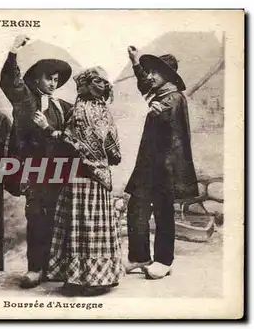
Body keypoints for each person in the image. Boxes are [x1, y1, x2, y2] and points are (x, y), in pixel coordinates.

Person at [39, 66, 124, 296]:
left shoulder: (86, 109)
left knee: (82, 223)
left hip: (84, 175)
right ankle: (94, 277)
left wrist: (49, 130)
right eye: (98, 81)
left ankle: (84, 278)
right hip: (92, 175)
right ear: (87, 84)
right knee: (88, 224)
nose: (103, 85)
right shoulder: (93, 109)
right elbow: (111, 149)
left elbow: (71, 140)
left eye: (104, 82)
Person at [0, 34, 73, 289]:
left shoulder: (63, 106)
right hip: (35, 171)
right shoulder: (26, 99)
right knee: (36, 216)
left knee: (58, 217)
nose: (52, 83)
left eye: (55, 79)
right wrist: (13, 53)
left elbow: (70, 136)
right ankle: (35, 268)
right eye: (47, 78)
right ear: (36, 79)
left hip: (60, 171)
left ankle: (56, 266)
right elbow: (10, 82)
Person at [124, 46, 199, 279]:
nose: (150, 76)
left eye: (155, 72)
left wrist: (159, 113)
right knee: (136, 207)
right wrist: (135, 62)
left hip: (165, 167)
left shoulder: (174, 97)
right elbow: (145, 84)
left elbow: (167, 116)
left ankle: (164, 261)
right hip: (148, 166)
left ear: (167, 76)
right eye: (150, 72)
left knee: (163, 212)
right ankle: (139, 257)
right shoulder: (160, 92)